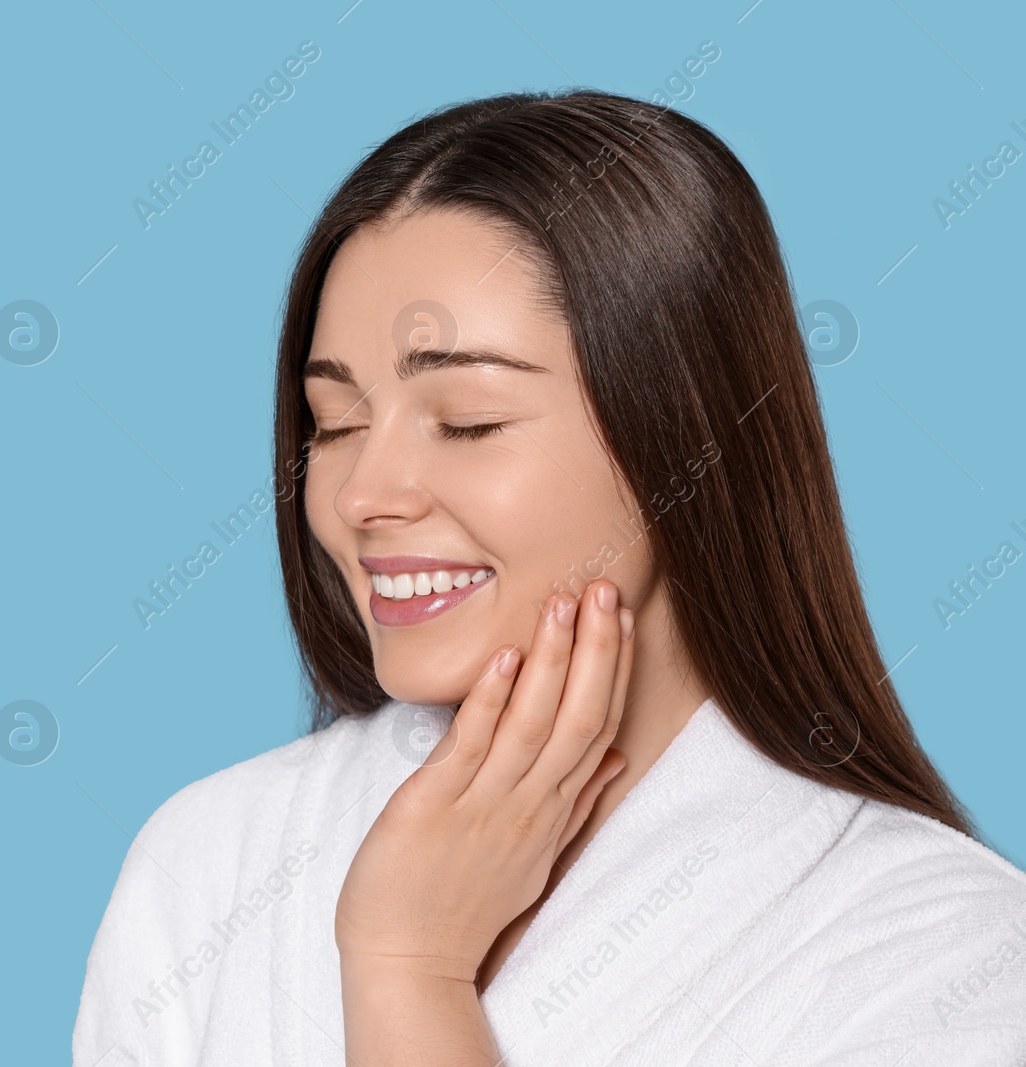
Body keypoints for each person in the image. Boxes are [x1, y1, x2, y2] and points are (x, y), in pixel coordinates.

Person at [71, 89, 1026, 1065]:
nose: (363, 492)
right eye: (336, 423)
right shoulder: (210, 864)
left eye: (468, 421)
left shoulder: (944, 953)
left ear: (684, 436)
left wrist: (407, 969)